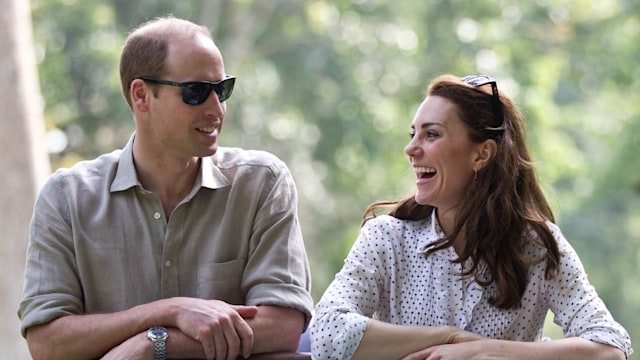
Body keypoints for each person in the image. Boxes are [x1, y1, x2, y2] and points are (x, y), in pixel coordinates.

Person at [18, 16, 313, 360]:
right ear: (141, 96)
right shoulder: (66, 199)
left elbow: (282, 325)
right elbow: (47, 342)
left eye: (222, 89)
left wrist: (155, 345)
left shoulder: (262, 182)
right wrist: (170, 311)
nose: (216, 108)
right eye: (196, 92)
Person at [309, 74, 633, 360]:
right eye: (413, 134)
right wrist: (447, 337)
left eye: (431, 134)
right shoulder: (386, 239)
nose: (411, 149)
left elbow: (609, 348)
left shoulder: (537, 247)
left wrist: (484, 350)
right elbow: (326, 334)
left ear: (481, 154)